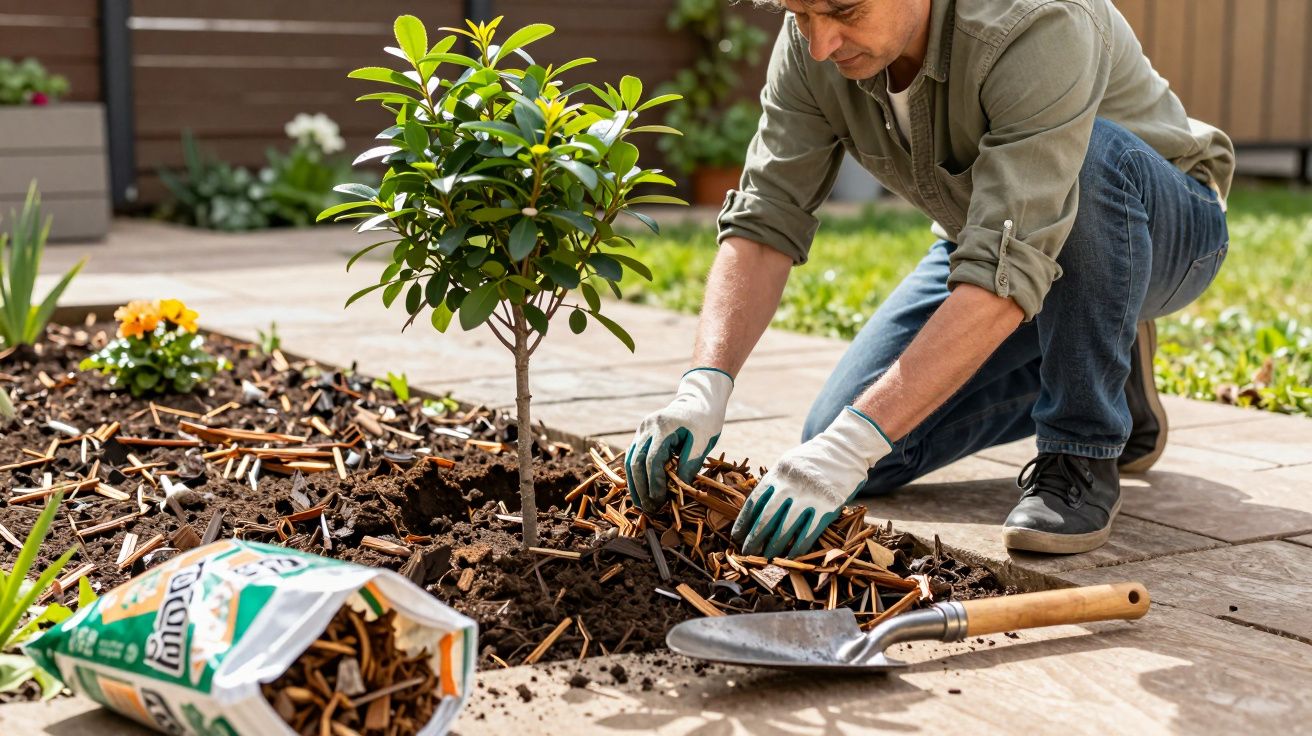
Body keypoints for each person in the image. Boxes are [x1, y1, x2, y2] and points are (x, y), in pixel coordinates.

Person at [625, 0, 1233, 558]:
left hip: (1161, 235)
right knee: (856, 447)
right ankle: (1104, 357)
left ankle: (1082, 445)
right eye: (802, 13)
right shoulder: (813, 42)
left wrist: (853, 444)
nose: (820, 43)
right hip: (992, 238)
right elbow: (765, 219)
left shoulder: (1037, 20)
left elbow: (1007, 264)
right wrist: (703, 387)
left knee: (1088, 156)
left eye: (843, 10)